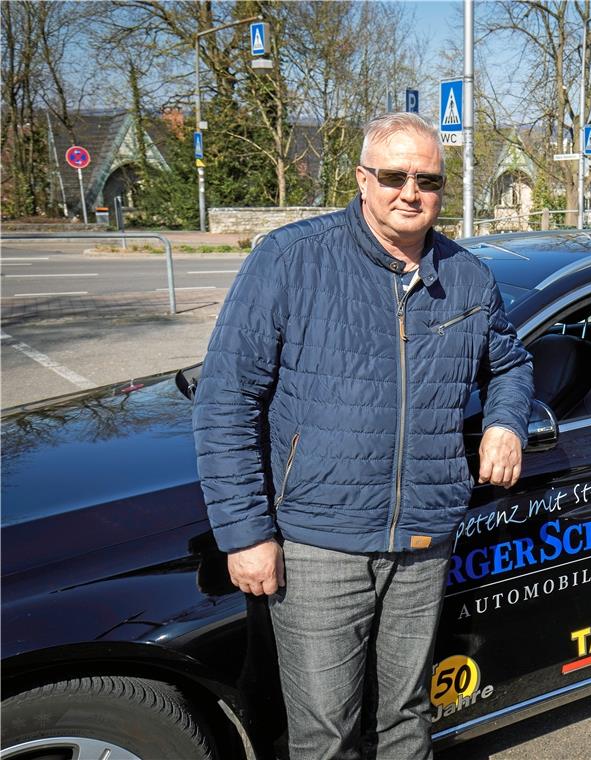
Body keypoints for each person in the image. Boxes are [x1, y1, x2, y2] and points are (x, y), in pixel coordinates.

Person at [192, 112, 533, 760]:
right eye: (394, 176)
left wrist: (503, 423)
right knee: (326, 734)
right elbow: (226, 399)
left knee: (405, 717)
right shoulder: (292, 259)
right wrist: (246, 533)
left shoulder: (466, 277)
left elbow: (510, 364)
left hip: (423, 537)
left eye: (426, 179)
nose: (411, 192)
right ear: (362, 178)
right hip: (319, 545)